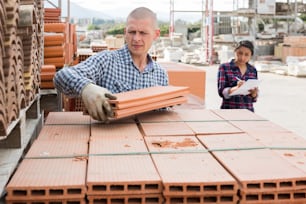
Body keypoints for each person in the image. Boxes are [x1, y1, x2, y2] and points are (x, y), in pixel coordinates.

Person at [54, 7, 169, 122]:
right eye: (132, 32)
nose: (136, 38)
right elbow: (62, 76)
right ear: (125, 32)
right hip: (108, 136)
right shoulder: (106, 61)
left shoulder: (160, 75)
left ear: (156, 34)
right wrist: (86, 88)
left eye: (143, 33)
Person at [217, 40, 259, 112]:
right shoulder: (225, 67)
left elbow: (253, 98)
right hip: (229, 110)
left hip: (248, 111)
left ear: (250, 56)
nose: (242, 57)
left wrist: (254, 94)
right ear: (235, 52)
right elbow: (222, 92)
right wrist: (237, 88)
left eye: (246, 55)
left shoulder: (253, 70)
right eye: (240, 53)